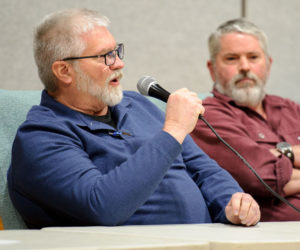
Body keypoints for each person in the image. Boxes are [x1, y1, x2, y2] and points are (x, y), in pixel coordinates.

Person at [7, 9, 260, 229]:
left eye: (117, 51)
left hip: (204, 239)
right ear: (64, 71)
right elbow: (103, 206)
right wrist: (172, 130)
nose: (119, 63)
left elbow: (202, 170)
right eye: (104, 56)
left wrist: (233, 202)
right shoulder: (41, 137)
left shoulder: (137, 105)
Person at [191, 18, 300, 221]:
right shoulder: (206, 116)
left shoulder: (290, 109)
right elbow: (259, 176)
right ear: (212, 68)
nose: (244, 67)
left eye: (253, 57)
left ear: (268, 64)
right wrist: (292, 153)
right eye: (232, 58)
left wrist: (279, 156)